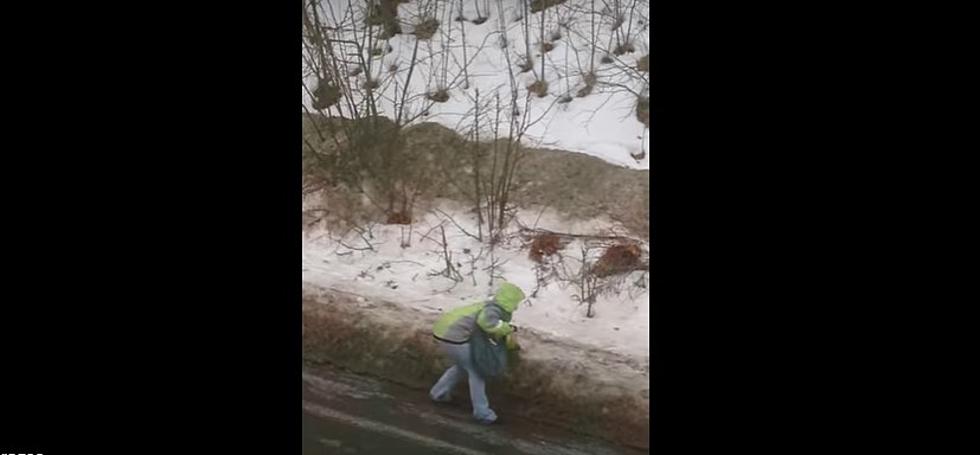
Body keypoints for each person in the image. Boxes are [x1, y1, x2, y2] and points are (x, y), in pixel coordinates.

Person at [429, 282, 524, 424]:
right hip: (454, 337)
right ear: (510, 301)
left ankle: (438, 393)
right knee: (477, 372)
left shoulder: (488, 305)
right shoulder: (494, 310)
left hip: (443, 333)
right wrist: (507, 328)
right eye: (516, 303)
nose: (516, 307)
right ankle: (482, 413)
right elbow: (487, 323)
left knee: (463, 366)